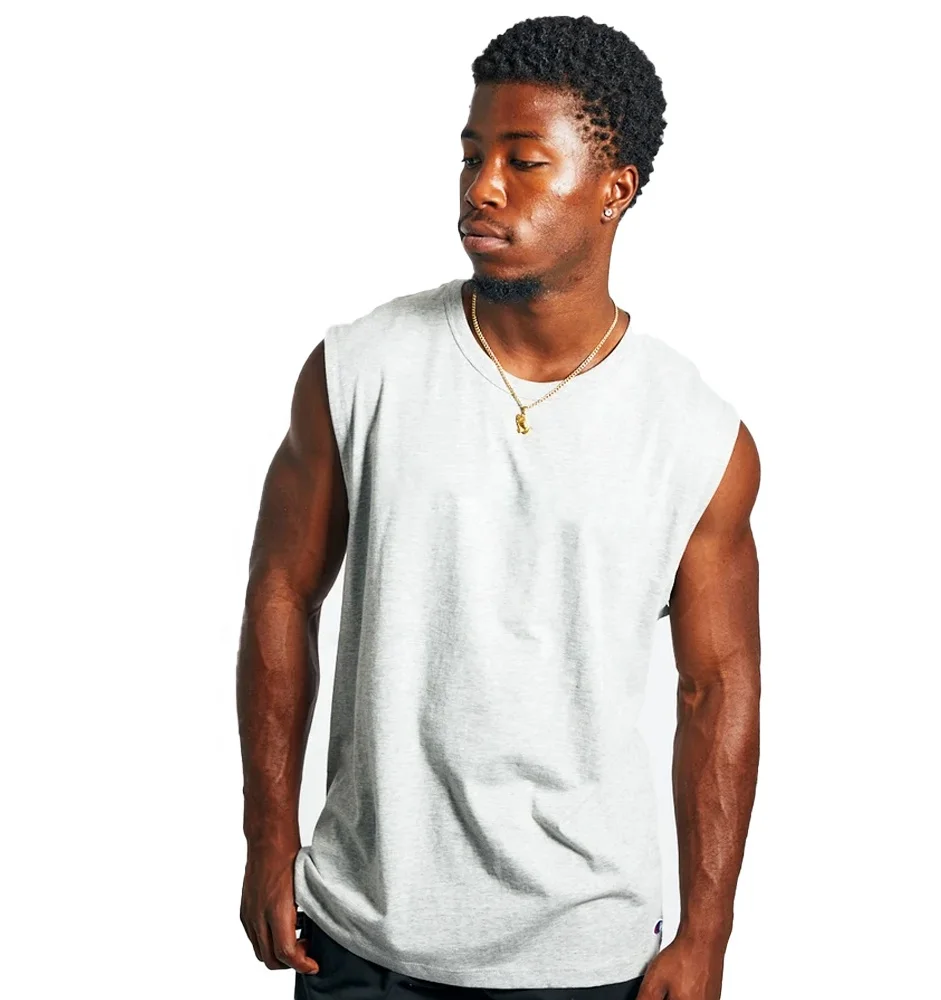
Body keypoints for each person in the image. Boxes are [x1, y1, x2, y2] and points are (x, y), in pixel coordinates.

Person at [237, 14, 761, 1000]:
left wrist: (708, 933)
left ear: (615, 189)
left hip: (585, 955)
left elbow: (718, 685)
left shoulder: (695, 435)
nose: (481, 186)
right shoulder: (359, 370)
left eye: (524, 161)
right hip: (359, 937)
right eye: (472, 155)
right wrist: (268, 839)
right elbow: (281, 588)